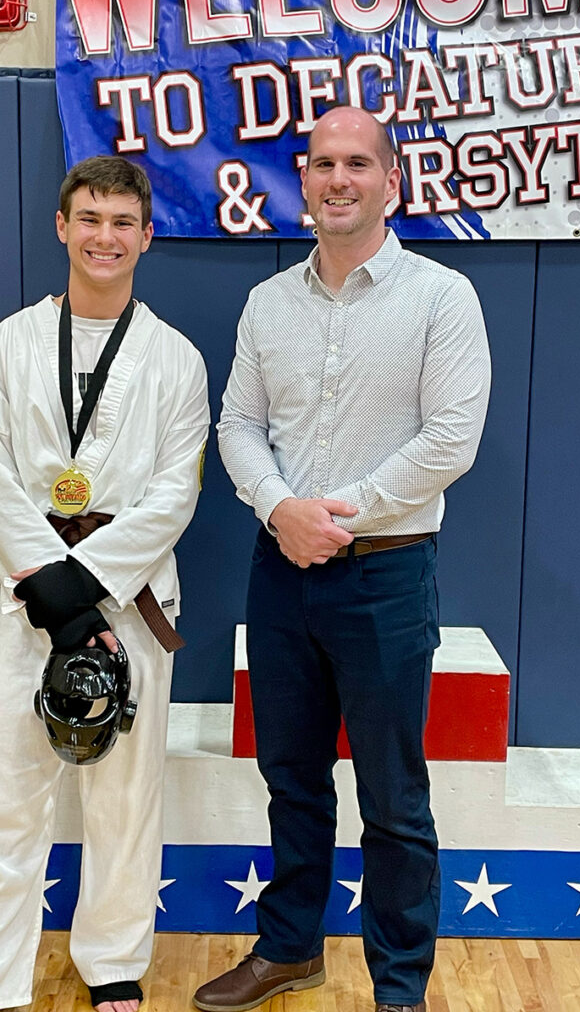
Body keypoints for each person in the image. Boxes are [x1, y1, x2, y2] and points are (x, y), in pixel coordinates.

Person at [194, 107, 491, 1012]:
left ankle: (400, 987)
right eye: (322, 163)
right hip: (281, 569)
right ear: (306, 180)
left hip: (386, 576)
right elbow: (238, 424)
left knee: (395, 798)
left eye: (357, 163)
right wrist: (281, 510)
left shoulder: (442, 298)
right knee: (291, 775)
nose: (338, 179)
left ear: (390, 181)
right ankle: (290, 949)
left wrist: (338, 514)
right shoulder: (267, 304)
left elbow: (452, 441)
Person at [0, 156, 209, 1012]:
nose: (105, 237)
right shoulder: (7, 344)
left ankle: (112, 962)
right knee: (3, 794)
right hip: (27, 601)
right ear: (62, 226)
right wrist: (50, 592)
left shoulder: (177, 359)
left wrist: (87, 585)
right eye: (89, 218)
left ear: (148, 236)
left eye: (123, 223)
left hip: (130, 599)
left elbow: (175, 493)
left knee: (125, 797)